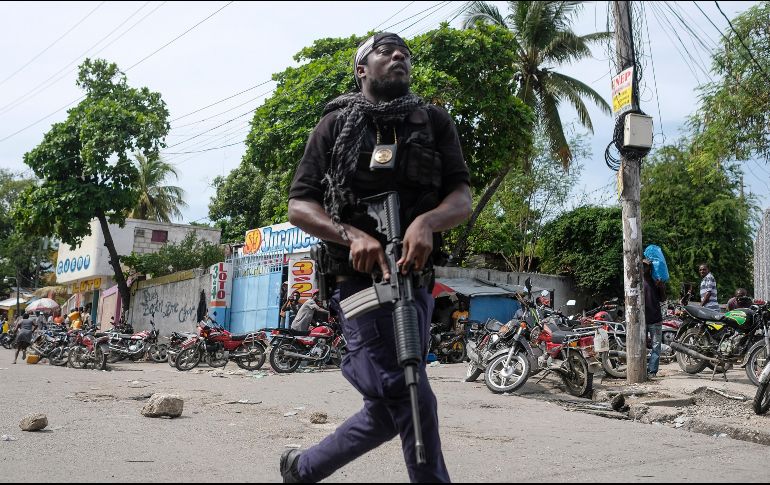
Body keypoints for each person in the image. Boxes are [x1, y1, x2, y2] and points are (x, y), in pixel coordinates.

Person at [281, 32, 471, 483]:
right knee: (408, 393)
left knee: (394, 403)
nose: (399, 56)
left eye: (404, 52)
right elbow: (300, 205)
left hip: (415, 281)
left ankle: (303, 469)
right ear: (362, 69)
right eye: (385, 52)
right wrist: (350, 236)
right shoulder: (334, 126)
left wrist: (427, 222)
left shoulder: (434, 122)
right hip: (356, 281)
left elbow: (461, 198)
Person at [643, 259, 666, 378]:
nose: (643, 268)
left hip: (655, 319)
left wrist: (661, 287)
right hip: (641, 321)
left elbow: (662, 299)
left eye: (646, 266)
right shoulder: (635, 282)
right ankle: (642, 369)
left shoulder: (656, 281)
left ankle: (652, 371)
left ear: (650, 268)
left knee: (656, 346)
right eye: (642, 266)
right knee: (640, 345)